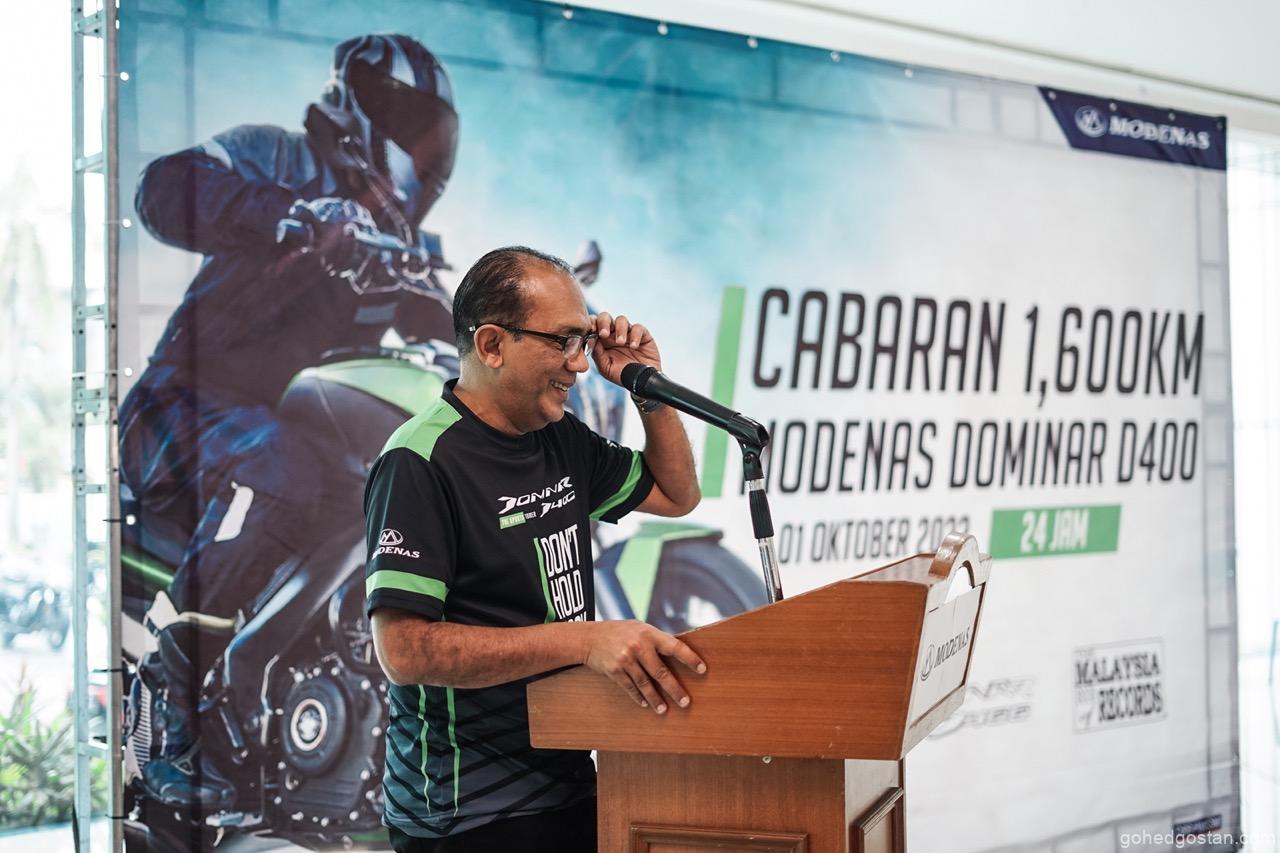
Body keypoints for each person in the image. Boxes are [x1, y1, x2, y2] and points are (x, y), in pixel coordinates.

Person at [120, 34, 458, 808]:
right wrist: (291, 217)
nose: (421, 149)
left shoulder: (396, 248)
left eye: (433, 134)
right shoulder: (279, 159)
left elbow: (448, 326)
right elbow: (161, 190)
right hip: (177, 411)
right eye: (410, 123)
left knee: (377, 490)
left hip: (275, 436)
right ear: (360, 105)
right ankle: (165, 692)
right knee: (284, 469)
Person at [364, 246, 707, 852]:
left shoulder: (559, 436)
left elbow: (678, 495)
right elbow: (406, 651)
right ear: (492, 345)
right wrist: (585, 642)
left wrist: (648, 391)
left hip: (568, 778)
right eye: (564, 341)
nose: (580, 364)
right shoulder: (419, 461)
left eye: (584, 340)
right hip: (469, 815)